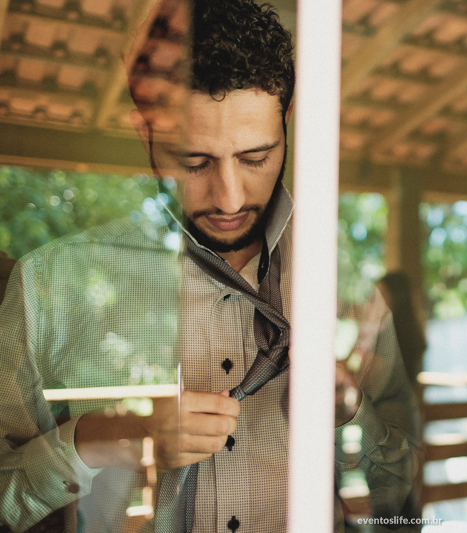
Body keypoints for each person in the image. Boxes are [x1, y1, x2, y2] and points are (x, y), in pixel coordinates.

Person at [0, 1, 418, 532]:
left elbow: (403, 485)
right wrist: (98, 439)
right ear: (145, 130)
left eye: (255, 157)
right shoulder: (50, 287)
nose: (228, 197)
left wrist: (354, 413)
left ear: (287, 123)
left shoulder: (340, 282)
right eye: (193, 161)